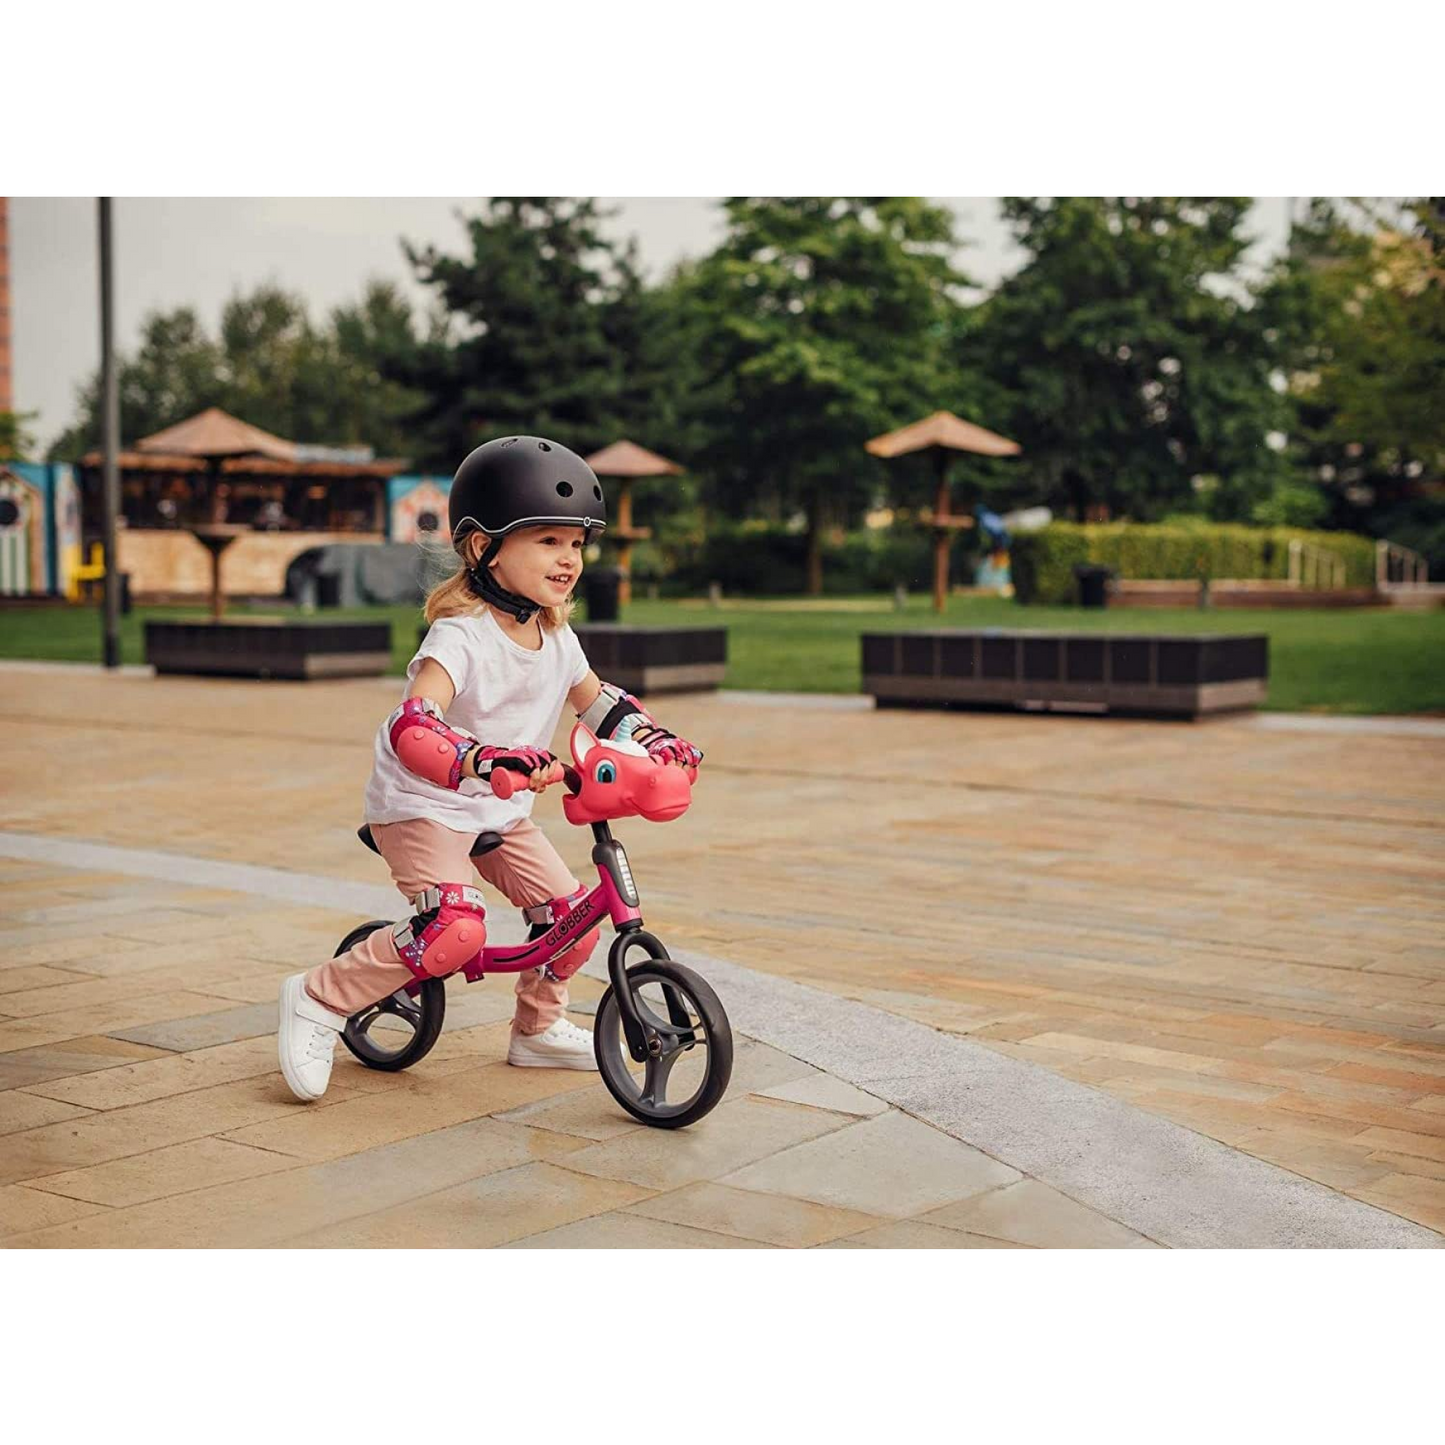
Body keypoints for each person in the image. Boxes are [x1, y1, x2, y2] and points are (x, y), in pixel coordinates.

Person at [276, 436, 703, 1102]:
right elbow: (414, 723)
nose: (568, 559)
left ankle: (536, 1029)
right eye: (549, 541)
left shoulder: (557, 638)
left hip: (498, 812)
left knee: (572, 918)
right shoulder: (461, 635)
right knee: (454, 928)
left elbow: (598, 704)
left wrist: (651, 738)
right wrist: (478, 756)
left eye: (577, 544)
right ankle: (317, 998)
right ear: (484, 547)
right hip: (422, 807)